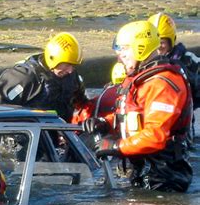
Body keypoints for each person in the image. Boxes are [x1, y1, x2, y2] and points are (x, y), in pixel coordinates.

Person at [84, 20, 193, 192]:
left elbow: (154, 137)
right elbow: (131, 116)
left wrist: (115, 146)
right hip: (142, 169)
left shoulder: (162, 83)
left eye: (125, 49)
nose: (120, 55)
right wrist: (105, 123)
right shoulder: (139, 79)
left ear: (141, 48)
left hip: (164, 175)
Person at [0, 32, 88, 122]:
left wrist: (89, 121)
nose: (70, 70)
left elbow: (82, 104)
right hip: (29, 135)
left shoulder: (72, 77)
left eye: (72, 65)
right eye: (67, 65)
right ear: (53, 58)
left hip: (59, 133)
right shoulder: (25, 78)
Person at [148, 12, 200, 144]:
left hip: (180, 126)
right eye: (153, 42)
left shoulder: (189, 61)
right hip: (150, 123)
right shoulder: (140, 63)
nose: (158, 47)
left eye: (162, 42)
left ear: (172, 40)